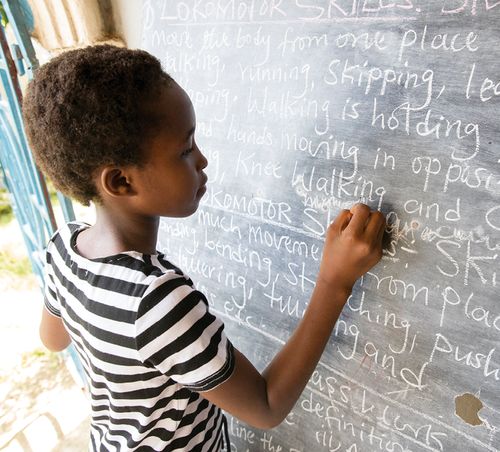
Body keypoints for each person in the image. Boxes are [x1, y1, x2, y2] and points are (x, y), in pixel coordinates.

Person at [22, 44, 386, 451]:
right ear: (122, 182)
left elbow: (53, 339)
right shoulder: (156, 300)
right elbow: (265, 406)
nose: (203, 160)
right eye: (185, 149)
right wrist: (335, 280)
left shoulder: (63, 248)